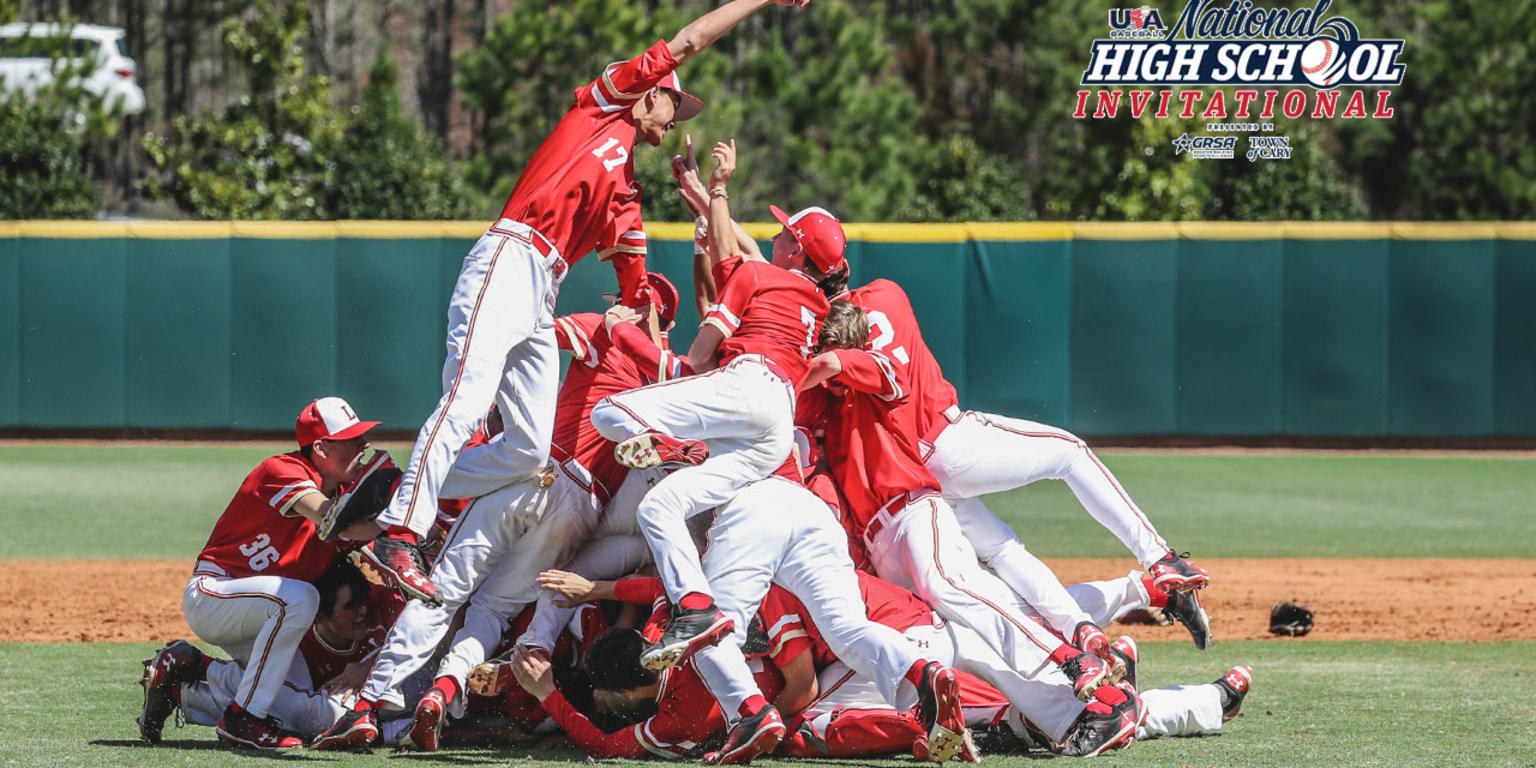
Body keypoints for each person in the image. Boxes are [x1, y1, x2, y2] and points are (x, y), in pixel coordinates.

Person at [353, 0, 815, 607]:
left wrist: (658, 279)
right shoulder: (601, 108)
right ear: (649, 93)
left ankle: (393, 488)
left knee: (525, 449)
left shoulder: (625, 187)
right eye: (675, 104)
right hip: (511, 254)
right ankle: (400, 532)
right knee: (466, 400)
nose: (676, 120)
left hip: (542, 287)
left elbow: (637, 283)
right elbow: (692, 38)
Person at [588, 139, 845, 674]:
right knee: (659, 508)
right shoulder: (816, 301)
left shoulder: (757, 275)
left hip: (746, 387)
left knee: (609, 415)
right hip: (775, 428)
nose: (774, 236)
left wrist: (721, 189)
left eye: (784, 233)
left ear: (795, 249)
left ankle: (671, 447)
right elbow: (742, 253)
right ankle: (696, 608)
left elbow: (702, 356)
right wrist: (708, 198)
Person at [177, 397, 381, 749]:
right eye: (352, 438)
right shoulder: (283, 469)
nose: (364, 445)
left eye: (362, 436)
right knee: (302, 598)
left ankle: (186, 682)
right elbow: (332, 521)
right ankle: (243, 721)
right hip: (215, 593)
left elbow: (382, 554)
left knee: (314, 713)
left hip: (267, 613)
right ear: (320, 447)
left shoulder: (348, 495)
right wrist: (392, 514)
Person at [141, 563, 403, 746]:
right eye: (351, 606)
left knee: (295, 713)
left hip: (323, 697)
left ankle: (188, 682)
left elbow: (422, 639)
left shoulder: (383, 604)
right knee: (325, 716)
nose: (362, 612)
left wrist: (369, 667)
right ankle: (201, 670)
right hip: (315, 701)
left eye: (363, 601)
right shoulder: (298, 633)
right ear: (320, 617)